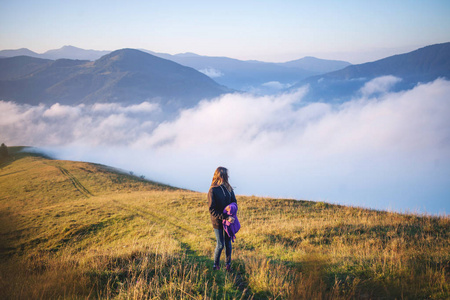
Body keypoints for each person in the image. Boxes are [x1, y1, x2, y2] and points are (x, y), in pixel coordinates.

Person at [208, 166, 237, 271]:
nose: (227, 177)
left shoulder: (229, 189)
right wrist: (225, 217)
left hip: (229, 222)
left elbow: (234, 202)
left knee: (228, 244)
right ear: (220, 176)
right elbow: (212, 210)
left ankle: (228, 265)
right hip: (218, 222)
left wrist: (231, 208)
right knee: (220, 244)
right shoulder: (212, 190)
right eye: (225, 175)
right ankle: (215, 265)